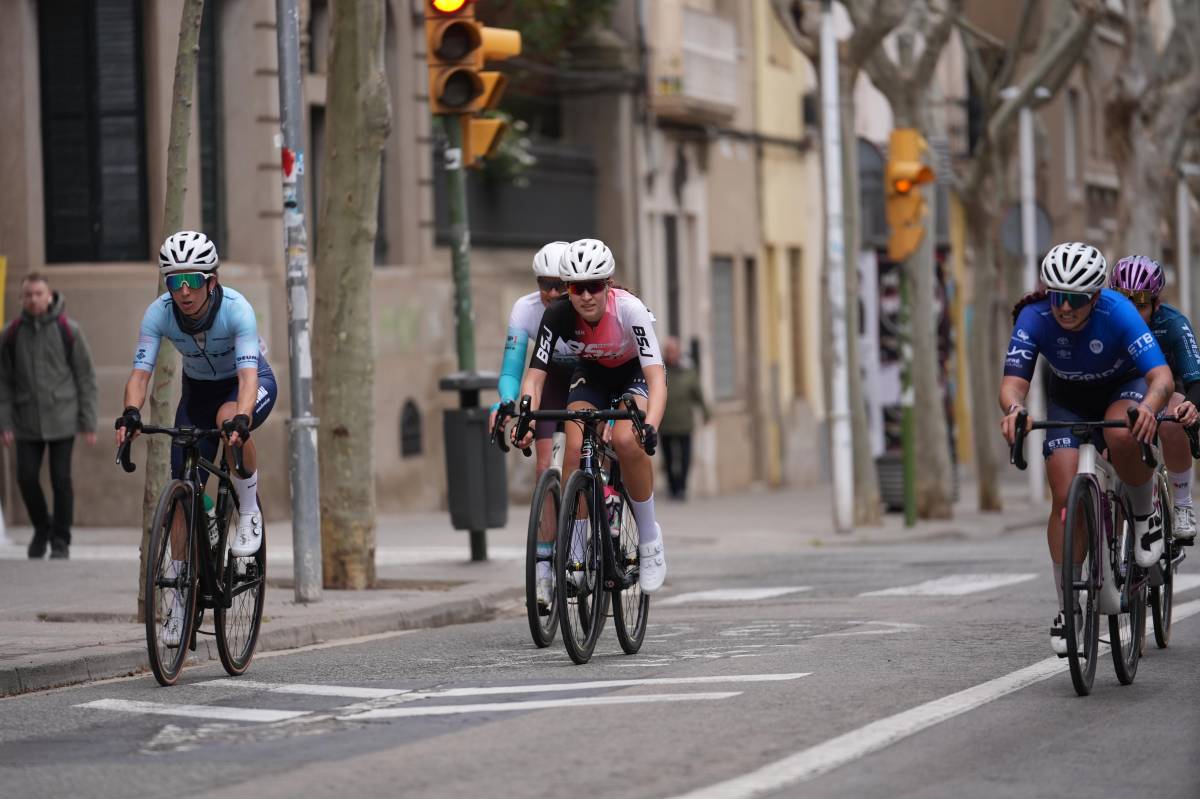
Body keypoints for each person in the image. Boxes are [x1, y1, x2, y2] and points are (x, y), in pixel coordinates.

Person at [1000, 241, 1174, 656]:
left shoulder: (1119, 312)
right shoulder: (1033, 316)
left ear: (1095, 297)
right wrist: (1015, 409)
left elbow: (1162, 377)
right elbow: (1013, 383)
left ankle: (1144, 514)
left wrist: (1149, 409)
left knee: (1120, 435)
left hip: (1123, 390)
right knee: (1063, 495)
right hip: (1069, 398)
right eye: (1058, 295)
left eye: (1075, 299)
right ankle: (1068, 609)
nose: (1064, 307)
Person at [115, 231, 277, 646]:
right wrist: (131, 413)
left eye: (192, 281)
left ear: (212, 280)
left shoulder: (237, 310)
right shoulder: (159, 314)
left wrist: (241, 419)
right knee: (184, 485)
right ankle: (182, 599)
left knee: (229, 423)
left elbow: (246, 377)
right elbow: (140, 374)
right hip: (198, 391)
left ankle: (248, 509)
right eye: (174, 282)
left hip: (246, 383)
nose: (183, 292)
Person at [513, 238, 669, 593]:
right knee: (573, 447)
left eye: (594, 286)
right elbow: (534, 377)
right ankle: (578, 556)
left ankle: (650, 541)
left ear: (608, 285)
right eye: (576, 288)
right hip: (593, 372)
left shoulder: (631, 310)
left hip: (633, 372)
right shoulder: (558, 314)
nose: (586, 296)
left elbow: (656, 379)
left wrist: (650, 426)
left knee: (628, 441)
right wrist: (526, 415)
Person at [491, 240, 579, 610]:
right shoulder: (525, 309)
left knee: (580, 454)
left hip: (587, 379)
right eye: (544, 284)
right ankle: (544, 572)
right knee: (545, 467)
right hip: (549, 379)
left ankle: (590, 531)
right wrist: (508, 404)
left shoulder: (583, 306)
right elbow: (512, 369)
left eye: (559, 285)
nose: (550, 293)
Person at [0, 272, 98, 560]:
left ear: (49, 295)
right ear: (21, 298)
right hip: (26, 419)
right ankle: (42, 528)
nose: (33, 299)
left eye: (38, 293)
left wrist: (88, 421)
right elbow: (3, 381)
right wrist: (5, 421)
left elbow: (85, 377)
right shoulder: (11, 333)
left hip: (63, 418)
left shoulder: (69, 330)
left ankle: (61, 540)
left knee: (61, 479)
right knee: (27, 478)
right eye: (28, 294)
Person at [1109, 254, 1200, 542]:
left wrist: (1192, 406)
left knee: (1173, 416)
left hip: (1167, 390)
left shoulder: (1172, 323)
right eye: (1126, 302)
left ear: (1156, 304)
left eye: (1142, 304)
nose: (1134, 312)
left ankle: (1183, 503)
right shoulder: (1104, 323)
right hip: (1123, 394)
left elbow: (1195, 378)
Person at [659, 336, 710, 500]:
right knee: (668, 458)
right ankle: (672, 487)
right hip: (665, 423)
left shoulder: (688, 371)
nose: (671, 354)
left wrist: (706, 412)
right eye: (668, 351)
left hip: (684, 423)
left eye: (673, 351)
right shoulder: (659, 371)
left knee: (685, 457)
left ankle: (681, 487)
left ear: (679, 352)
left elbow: (698, 395)